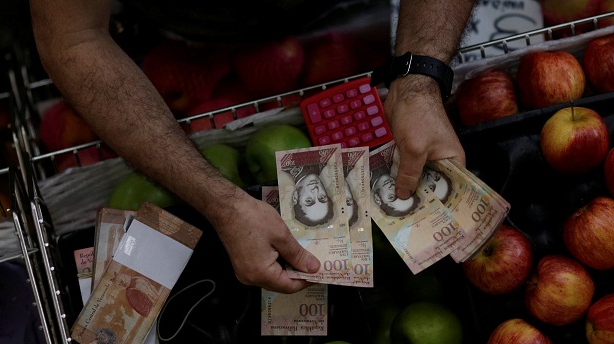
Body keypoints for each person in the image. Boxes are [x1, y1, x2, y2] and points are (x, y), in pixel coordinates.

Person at [28, 0, 476, 293]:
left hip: (341, 24)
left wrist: (420, 78)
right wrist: (221, 203)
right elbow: (74, 38)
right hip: (177, 46)